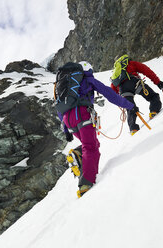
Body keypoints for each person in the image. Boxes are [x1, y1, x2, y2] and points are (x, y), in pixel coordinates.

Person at [55, 61, 134, 197]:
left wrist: (66, 130)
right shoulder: (88, 79)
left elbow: (59, 105)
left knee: (93, 144)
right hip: (83, 114)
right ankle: (86, 183)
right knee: (91, 147)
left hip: (69, 120)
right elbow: (110, 93)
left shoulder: (65, 83)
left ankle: (77, 154)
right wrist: (129, 105)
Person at [110, 54, 163, 135]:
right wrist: (158, 82)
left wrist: (121, 101)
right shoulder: (131, 63)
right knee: (153, 96)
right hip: (135, 83)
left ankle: (133, 128)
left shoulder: (116, 72)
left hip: (123, 90)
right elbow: (146, 70)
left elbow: (112, 89)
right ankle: (154, 110)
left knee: (130, 108)